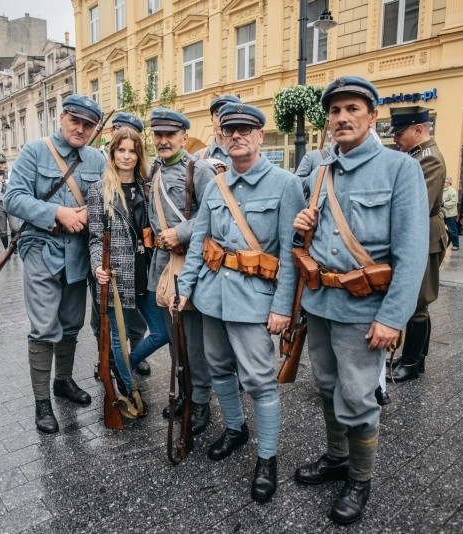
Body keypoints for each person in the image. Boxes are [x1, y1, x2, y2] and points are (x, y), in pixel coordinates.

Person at [291, 77, 429, 524]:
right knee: (328, 388)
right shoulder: (320, 172)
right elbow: (309, 240)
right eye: (335, 111)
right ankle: (336, 458)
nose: (342, 117)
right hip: (321, 304)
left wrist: (393, 317)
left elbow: (412, 253)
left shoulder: (399, 169)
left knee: (359, 395)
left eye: (353, 108)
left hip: (365, 309)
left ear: (372, 116)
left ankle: (360, 478)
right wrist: (302, 225)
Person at [176, 103, 305, 503]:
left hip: (255, 300)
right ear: (221, 135)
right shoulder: (214, 184)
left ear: (259, 136)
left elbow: (290, 253)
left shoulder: (285, 184)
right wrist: (186, 286)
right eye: (229, 129)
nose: (237, 136)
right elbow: (200, 241)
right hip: (212, 297)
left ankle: (267, 459)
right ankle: (235, 428)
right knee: (217, 370)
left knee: (259, 381)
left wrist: (283, 308)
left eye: (245, 129)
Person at [5, 95, 107, 434]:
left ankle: (63, 382)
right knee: (44, 327)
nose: (80, 129)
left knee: (71, 323)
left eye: (88, 125)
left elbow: (108, 199)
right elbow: (13, 198)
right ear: (62, 118)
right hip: (41, 249)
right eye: (74, 121)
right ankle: (42, 403)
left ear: (94, 129)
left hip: (78, 253)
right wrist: (57, 213)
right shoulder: (35, 151)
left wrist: (92, 214)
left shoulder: (97, 159)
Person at [88, 128, 169, 411]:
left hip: (147, 272)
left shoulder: (148, 186)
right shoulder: (99, 190)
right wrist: (99, 265)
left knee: (162, 333)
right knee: (118, 338)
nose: (126, 156)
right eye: (120, 150)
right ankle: (125, 383)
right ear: (112, 153)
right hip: (115, 274)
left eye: (132, 150)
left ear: (139, 154)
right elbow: (95, 237)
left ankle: (123, 365)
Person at [148, 107, 217, 432]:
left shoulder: (199, 170)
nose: (163, 141)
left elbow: (214, 213)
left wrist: (183, 233)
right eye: (158, 135)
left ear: (183, 137)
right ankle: (183, 393)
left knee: (194, 341)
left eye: (169, 135)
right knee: (176, 342)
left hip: (191, 266)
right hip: (163, 266)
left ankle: (200, 402)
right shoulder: (153, 171)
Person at [387, 105, 449, 383]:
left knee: (418, 301)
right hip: (422, 233)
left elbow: (416, 205)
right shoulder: (415, 156)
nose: (396, 138)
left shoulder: (429, 159)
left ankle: (412, 363)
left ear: (419, 129)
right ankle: (416, 359)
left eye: (401, 132)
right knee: (418, 301)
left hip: (424, 236)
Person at [194, 94, 241, 167]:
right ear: (212, 120)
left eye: (227, 114)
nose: (221, 119)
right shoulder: (199, 157)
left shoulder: (244, 156)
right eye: (218, 114)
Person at [442, 176, 459, 250]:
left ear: (449, 183)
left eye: (445, 182)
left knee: (452, 230)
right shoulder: (441, 190)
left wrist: (444, 204)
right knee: (440, 229)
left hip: (450, 214)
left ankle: (456, 245)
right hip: (442, 214)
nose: (444, 183)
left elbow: (454, 202)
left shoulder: (452, 191)